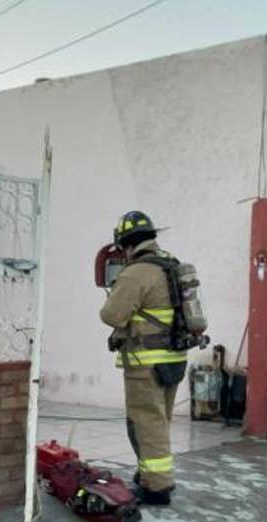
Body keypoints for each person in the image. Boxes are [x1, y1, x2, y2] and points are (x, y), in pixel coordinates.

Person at [100, 211, 189, 506]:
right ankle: (148, 473)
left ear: (126, 244)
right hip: (174, 359)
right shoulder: (171, 265)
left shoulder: (137, 272)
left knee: (146, 422)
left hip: (145, 364)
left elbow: (112, 314)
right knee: (158, 420)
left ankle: (157, 487)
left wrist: (117, 292)